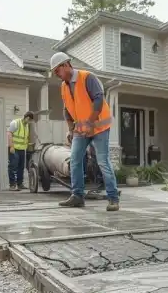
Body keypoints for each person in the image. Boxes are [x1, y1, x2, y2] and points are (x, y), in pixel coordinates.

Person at [49, 52, 119, 211]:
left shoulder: (87, 77)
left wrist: (90, 123)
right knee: (74, 160)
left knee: (102, 161)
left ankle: (113, 198)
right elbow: (67, 109)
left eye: (57, 71)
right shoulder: (63, 86)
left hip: (99, 125)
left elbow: (99, 99)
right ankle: (77, 196)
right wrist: (71, 129)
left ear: (66, 65)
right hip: (81, 128)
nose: (57, 75)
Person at [7, 111, 38, 190]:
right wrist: (11, 146)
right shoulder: (15, 123)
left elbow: (23, 138)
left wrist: (28, 144)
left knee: (21, 167)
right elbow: (9, 133)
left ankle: (20, 184)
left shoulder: (26, 126)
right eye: (30, 120)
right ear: (27, 118)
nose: (30, 122)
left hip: (22, 149)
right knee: (13, 166)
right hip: (14, 148)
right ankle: (12, 185)